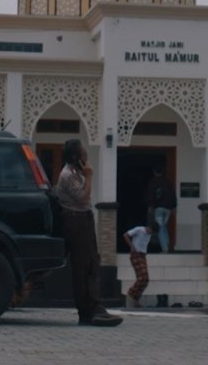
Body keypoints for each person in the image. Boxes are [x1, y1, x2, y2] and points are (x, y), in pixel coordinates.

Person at [54, 138, 123, 326]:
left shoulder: (76, 173)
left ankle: (94, 307)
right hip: (75, 221)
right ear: (77, 157)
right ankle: (87, 310)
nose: (87, 157)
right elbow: (83, 199)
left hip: (83, 220)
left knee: (92, 263)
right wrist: (90, 176)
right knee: (83, 266)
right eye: (84, 154)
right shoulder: (68, 175)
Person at [144, 165, 177, 253]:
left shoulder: (153, 182)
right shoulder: (168, 182)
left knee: (160, 227)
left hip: (158, 208)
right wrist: (174, 207)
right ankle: (168, 246)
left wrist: (150, 206)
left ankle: (165, 249)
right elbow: (173, 194)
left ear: (154, 172)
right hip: (168, 208)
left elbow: (150, 194)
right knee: (164, 227)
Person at [123, 221, 155, 308]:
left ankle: (136, 298)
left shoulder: (149, 234)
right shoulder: (139, 229)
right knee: (142, 277)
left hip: (142, 255)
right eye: (149, 231)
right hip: (135, 254)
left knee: (146, 279)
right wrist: (132, 246)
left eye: (151, 233)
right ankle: (131, 293)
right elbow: (126, 235)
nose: (149, 233)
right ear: (148, 227)